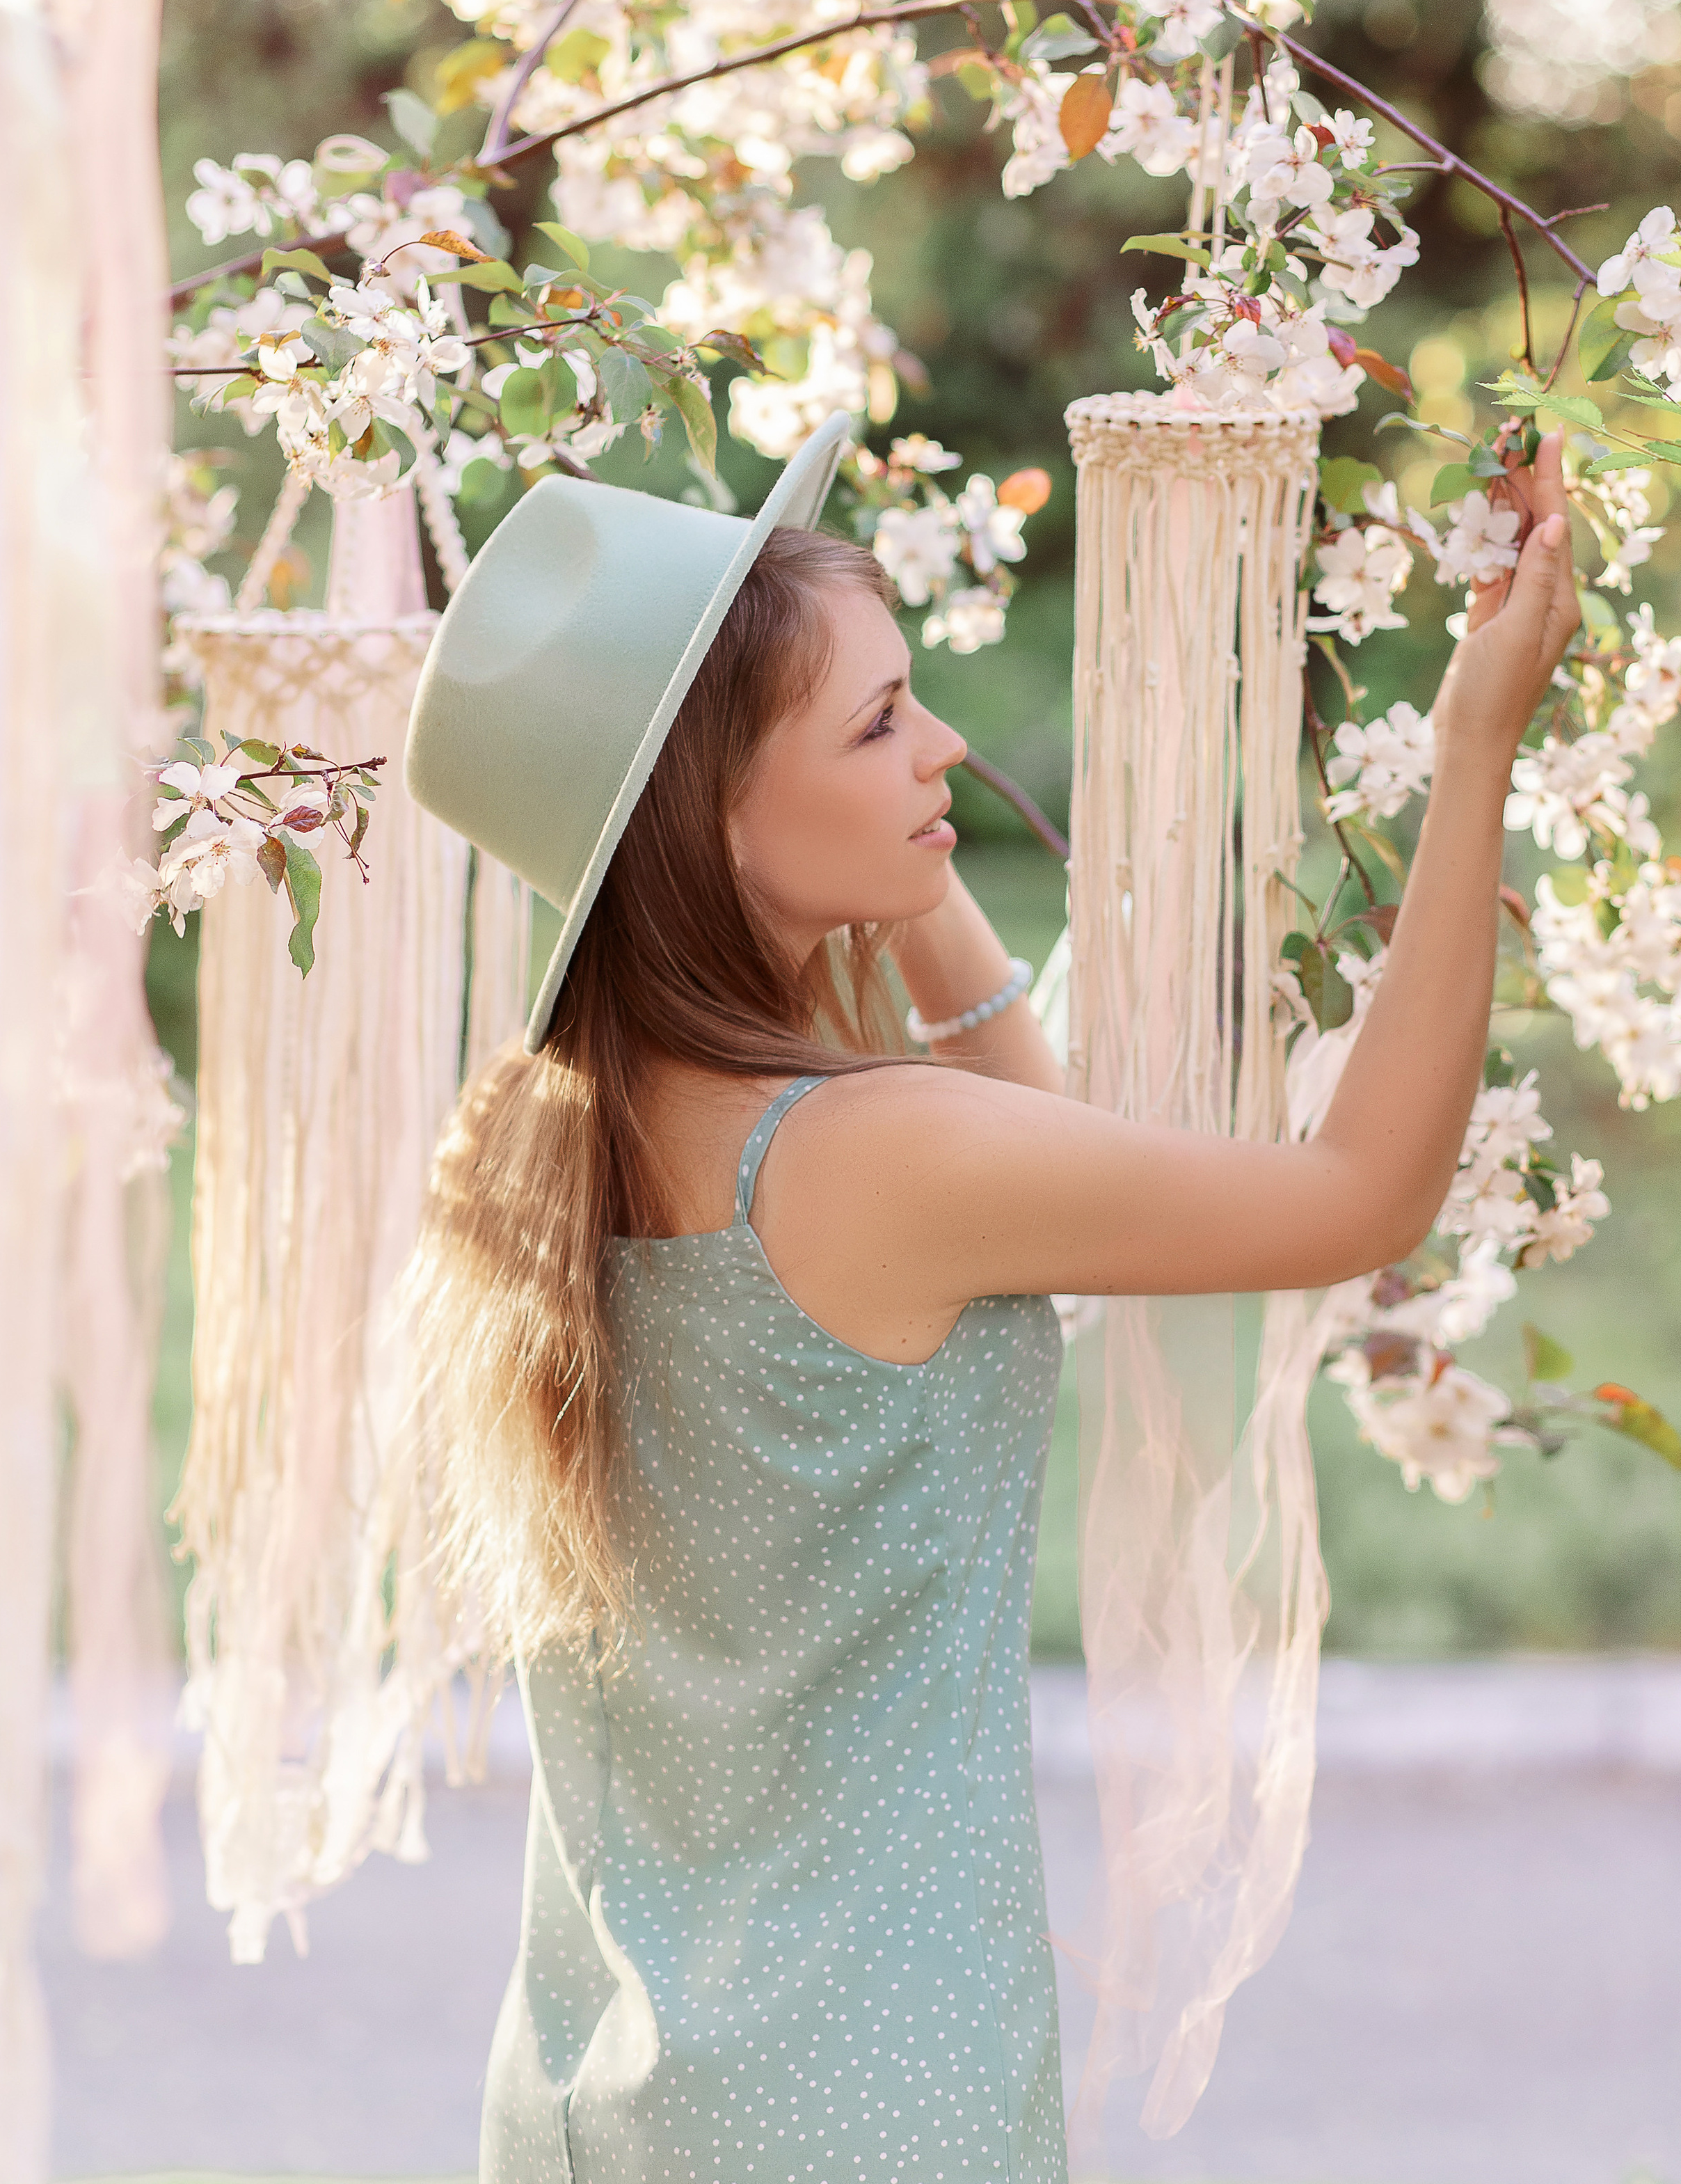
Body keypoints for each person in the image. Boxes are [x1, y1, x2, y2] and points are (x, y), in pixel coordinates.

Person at [402, 409, 1579, 2183]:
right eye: (879, 723)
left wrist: (903, 853)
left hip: (593, 2090)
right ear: (706, 828)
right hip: (870, 2106)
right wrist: (1477, 738)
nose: (942, 738)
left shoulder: (536, 1142)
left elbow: (1020, 1127)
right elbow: (1360, 1197)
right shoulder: (874, 1160)